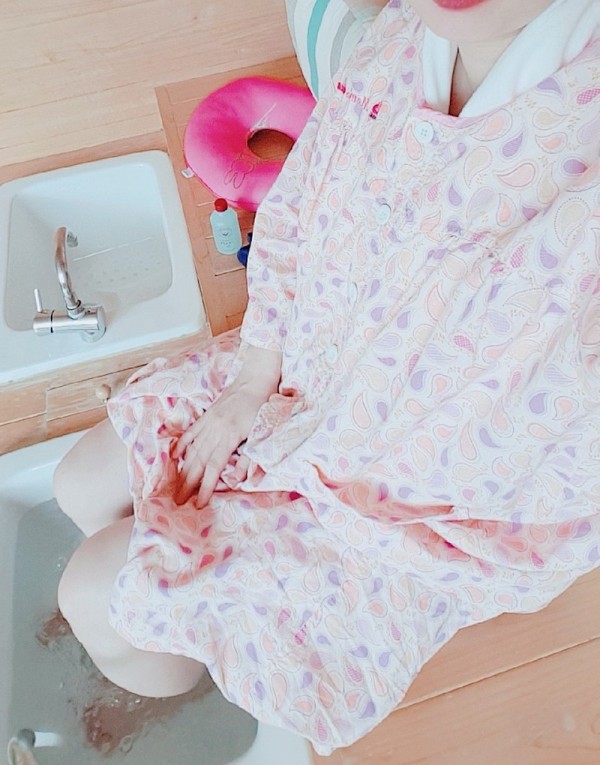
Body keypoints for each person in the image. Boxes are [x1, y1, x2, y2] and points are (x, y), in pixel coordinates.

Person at [55, 0, 600, 755]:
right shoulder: (402, 35)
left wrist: (304, 469)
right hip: (299, 373)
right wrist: (251, 384)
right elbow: (297, 211)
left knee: (92, 590)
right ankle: (176, 632)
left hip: (403, 507)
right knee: (78, 487)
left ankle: (184, 664)